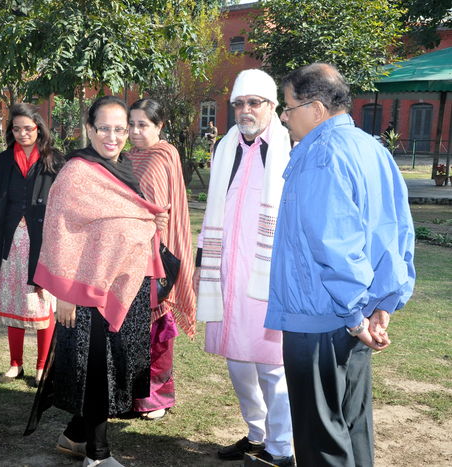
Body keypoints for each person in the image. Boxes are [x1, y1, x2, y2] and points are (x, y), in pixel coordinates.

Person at [266, 63, 416, 466]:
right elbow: (398, 232)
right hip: (356, 314)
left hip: (323, 316)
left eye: (288, 107)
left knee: (321, 440)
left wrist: (353, 317)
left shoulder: (321, 155)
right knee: (353, 426)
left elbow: (333, 245)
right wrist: (382, 305)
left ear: (315, 109)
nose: (284, 117)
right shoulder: (372, 149)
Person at [29, 95, 169, 467]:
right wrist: (65, 293)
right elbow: (58, 233)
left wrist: (149, 222)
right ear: (89, 129)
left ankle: (75, 436)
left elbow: (130, 218)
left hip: (126, 283)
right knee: (96, 371)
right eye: (104, 128)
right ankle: (97, 455)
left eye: (120, 129)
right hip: (88, 291)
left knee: (113, 366)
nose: (113, 136)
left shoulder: (123, 168)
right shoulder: (76, 173)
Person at [194, 69, 294, 466]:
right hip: (227, 272)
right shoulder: (226, 147)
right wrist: (202, 259)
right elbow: (212, 209)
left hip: (268, 273)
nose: (245, 110)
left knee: (272, 365)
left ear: (271, 106)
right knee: (237, 361)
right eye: (239, 103)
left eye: (254, 102)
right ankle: (256, 434)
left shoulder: (288, 147)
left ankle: (281, 448)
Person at [0, 103, 64, 385]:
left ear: (38, 129)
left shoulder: (54, 159)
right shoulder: (4, 160)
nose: (22, 134)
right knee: (14, 301)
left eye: (27, 128)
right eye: (16, 129)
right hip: (10, 241)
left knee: (42, 303)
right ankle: (15, 364)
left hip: (43, 242)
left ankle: (42, 366)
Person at [127, 98, 196, 421]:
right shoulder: (126, 158)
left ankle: (156, 398)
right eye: (131, 124)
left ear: (159, 126)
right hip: (128, 256)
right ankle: (131, 394)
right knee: (131, 329)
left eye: (143, 125)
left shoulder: (165, 155)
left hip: (158, 254)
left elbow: (166, 208)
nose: (135, 131)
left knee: (157, 331)